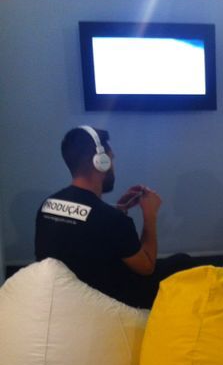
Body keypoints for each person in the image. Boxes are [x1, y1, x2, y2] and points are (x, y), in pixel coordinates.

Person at [35, 125, 198, 309]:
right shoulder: (111, 220)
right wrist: (150, 215)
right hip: (108, 301)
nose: (113, 166)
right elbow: (147, 267)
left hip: (64, 295)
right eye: (111, 160)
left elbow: (88, 230)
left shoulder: (48, 205)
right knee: (183, 263)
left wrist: (119, 209)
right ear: (100, 162)